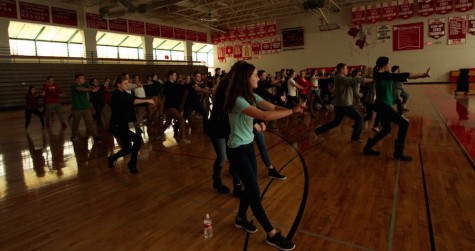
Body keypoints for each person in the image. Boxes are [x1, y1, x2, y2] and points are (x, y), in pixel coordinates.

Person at [224, 61, 304, 251]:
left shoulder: (251, 95)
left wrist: (292, 108)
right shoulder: (237, 99)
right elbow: (264, 116)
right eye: (254, 75)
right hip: (237, 150)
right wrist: (292, 111)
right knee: (254, 192)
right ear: (245, 78)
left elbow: (271, 108)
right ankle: (272, 234)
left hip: (248, 146)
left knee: (252, 189)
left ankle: (241, 218)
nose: (258, 77)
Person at [363, 57, 430, 161]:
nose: (390, 65)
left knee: (386, 129)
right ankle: (398, 152)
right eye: (389, 64)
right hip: (382, 106)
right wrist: (423, 74)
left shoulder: (382, 74)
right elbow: (405, 75)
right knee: (404, 123)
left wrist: (421, 76)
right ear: (384, 65)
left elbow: (405, 76)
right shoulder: (382, 75)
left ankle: (368, 146)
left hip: (383, 105)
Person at [314, 63, 372, 143]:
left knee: (336, 122)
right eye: (346, 68)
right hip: (345, 105)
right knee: (360, 118)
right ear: (341, 69)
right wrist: (373, 79)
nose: (347, 70)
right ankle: (355, 138)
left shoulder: (341, 78)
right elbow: (355, 80)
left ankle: (317, 131)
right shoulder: (340, 78)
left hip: (340, 105)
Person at [108, 76, 155, 174]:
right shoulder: (116, 95)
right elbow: (132, 101)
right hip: (116, 126)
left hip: (122, 125)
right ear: (119, 85)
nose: (127, 85)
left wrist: (148, 100)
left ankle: (112, 158)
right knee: (137, 140)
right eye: (125, 83)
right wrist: (147, 101)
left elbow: (135, 99)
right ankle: (132, 164)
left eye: (127, 83)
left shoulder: (124, 93)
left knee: (127, 149)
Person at [70, 73, 101, 142]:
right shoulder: (74, 85)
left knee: (90, 123)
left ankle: (96, 136)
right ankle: (73, 135)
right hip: (77, 108)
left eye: (84, 78)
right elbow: (81, 89)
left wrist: (94, 87)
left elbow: (90, 86)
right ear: (77, 79)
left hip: (86, 108)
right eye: (82, 78)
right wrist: (91, 90)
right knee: (75, 123)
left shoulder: (85, 84)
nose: (83, 79)